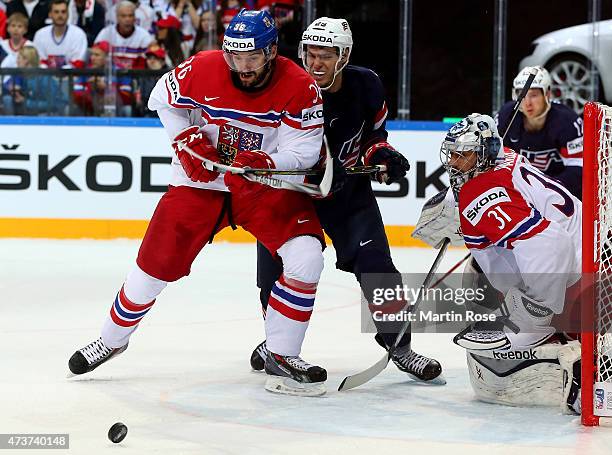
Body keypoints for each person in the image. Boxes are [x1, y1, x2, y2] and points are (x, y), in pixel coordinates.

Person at [69, 9, 330, 397]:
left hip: (261, 184)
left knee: (307, 256)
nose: (241, 67)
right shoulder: (203, 67)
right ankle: (112, 339)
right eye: (234, 56)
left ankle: (282, 351)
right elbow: (162, 97)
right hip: (199, 182)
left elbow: (305, 150)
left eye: (252, 57)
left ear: (272, 51)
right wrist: (186, 136)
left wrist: (268, 163)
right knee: (153, 266)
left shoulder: (300, 85)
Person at [250, 17, 444, 384]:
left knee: (378, 268)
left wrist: (381, 155)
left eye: (327, 55)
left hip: (347, 196)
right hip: (289, 197)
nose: (316, 64)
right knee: (274, 278)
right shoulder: (283, 88)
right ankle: (278, 345)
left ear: (344, 56)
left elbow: (372, 136)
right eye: (310, 54)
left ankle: (399, 347)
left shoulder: (366, 85)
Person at [412, 113, 582, 413]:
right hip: (591, 245)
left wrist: (532, 315)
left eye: (462, 155)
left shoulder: (482, 191)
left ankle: (549, 330)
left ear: (484, 153)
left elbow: (550, 244)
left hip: (583, 272)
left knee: (485, 269)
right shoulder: (505, 157)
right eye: (452, 154)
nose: (453, 162)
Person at [496, 66, 583, 199]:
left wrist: (546, 190)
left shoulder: (568, 121)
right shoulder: (506, 116)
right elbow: (495, 161)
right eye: (522, 95)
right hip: (520, 192)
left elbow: (579, 168)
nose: (527, 103)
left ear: (547, 94)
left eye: (534, 95)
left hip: (560, 195)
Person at [95, 1, 154, 70]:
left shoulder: (144, 36)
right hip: (111, 77)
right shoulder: (106, 33)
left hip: (136, 77)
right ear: (117, 18)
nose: (127, 19)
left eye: (130, 16)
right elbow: (95, 58)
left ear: (135, 18)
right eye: (123, 16)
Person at [32, 0, 87, 68]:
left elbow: (78, 63)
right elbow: (38, 62)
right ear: (50, 14)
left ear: (68, 14)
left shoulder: (79, 35)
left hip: (71, 77)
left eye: (63, 12)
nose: (60, 15)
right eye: (56, 12)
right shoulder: (40, 35)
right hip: (46, 77)